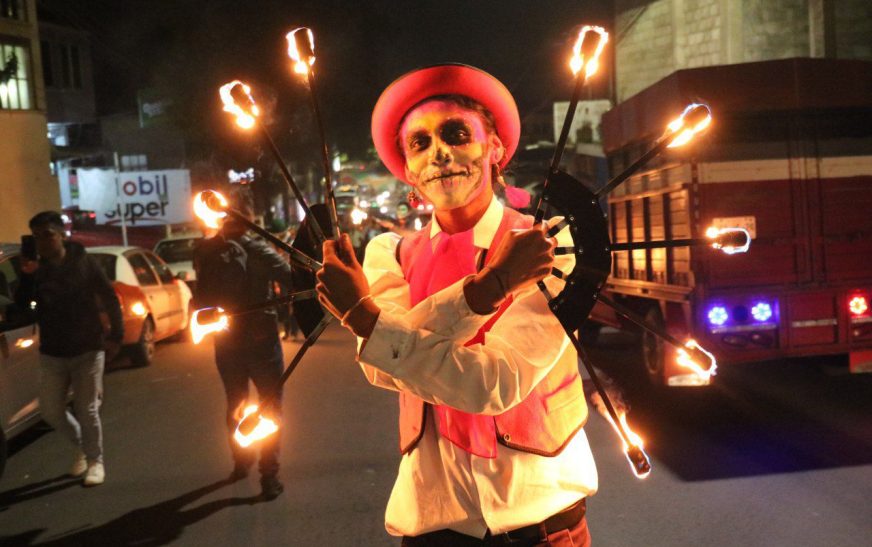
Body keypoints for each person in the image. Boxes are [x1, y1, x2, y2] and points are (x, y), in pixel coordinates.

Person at [316, 64, 596, 546]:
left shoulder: (547, 243)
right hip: (434, 521)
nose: (440, 153)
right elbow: (383, 370)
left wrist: (369, 322)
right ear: (407, 171)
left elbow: (496, 381)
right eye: (419, 143)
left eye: (456, 133)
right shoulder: (389, 254)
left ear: (495, 149)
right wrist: (490, 289)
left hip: (541, 521)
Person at [193, 188, 293, 500]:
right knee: (269, 406)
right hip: (262, 340)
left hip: (226, 340)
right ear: (248, 217)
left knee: (235, 401)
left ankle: (240, 460)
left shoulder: (206, 250)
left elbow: (201, 293)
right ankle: (269, 475)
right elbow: (290, 277)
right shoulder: (258, 249)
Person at [15, 211, 124, 487]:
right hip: (52, 351)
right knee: (50, 410)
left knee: (86, 409)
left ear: (62, 234)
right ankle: (81, 447)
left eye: (47, 234)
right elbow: (22, 306)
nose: (42, 241)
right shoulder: (37, 271)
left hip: (87, 347)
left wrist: (116, 336)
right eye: (37, 236)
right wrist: (27, 277)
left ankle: (96, 461)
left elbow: (108, 296)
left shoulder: (83, 263)